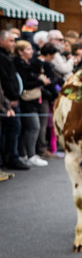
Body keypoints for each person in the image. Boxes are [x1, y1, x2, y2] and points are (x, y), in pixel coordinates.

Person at [13, 39, 50, 167]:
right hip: (26, 100)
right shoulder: (19, 64)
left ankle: (25, 154)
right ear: (20, 52)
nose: (32, 51)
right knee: (34, 127)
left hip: (33, 100)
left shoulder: (28, 63)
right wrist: (41, 82)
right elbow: (25, 85)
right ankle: (30, 155)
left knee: (28, 128)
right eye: (28, 49)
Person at [0, 29, 29, 171]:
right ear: (1, 41)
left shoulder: (6, 57)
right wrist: (10, 99)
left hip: (11, 100)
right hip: (7, 101)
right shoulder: (2, 57)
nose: (13, 44)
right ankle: (11, 157)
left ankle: (9, 157)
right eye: (11, 41)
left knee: (11, 129)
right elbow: (5, 81)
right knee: (12, 128)